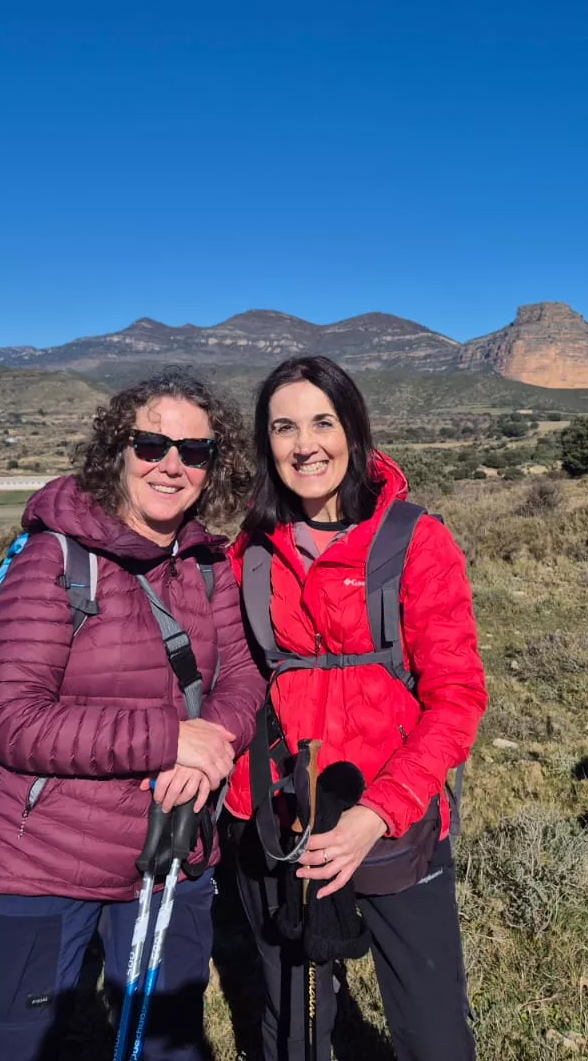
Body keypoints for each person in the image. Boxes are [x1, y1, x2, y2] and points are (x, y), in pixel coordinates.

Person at [0, 371, 265, 1061]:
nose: (171, 465)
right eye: (152, 444)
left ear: (215, 465)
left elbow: (241, 676)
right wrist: (170, 741)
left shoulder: (206, 562)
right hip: (36, 863)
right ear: (118, 450)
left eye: (193, 451)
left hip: (169, 849)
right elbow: (16, 721)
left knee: (165, 1048)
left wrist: (211, 748)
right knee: (14, 1048)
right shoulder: (54, 558)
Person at [224, 355, 487, 1061]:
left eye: (322, 422)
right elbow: (233, 678)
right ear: (266, 443)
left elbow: (457, 697)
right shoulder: (249, 552)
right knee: (297, 1027)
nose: (304, 444)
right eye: (284, 427)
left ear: (354, 430)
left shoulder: (413, 542)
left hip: (393, 817)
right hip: (284, 820)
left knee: (432, 1033)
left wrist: (379, 812)